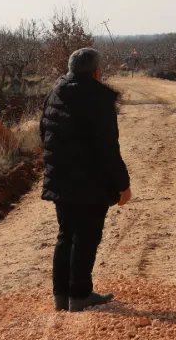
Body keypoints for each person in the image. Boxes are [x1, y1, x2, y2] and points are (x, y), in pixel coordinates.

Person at [39, 47, 131, 312]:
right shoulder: (98, 98)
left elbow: (44, 132)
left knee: (66, 234)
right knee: (87, 236)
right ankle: (79, 294)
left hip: (61, 178)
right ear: (95, 71)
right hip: (91, 182)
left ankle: (62, 295)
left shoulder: (56, 92)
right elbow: (107, 149)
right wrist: (122, 185)